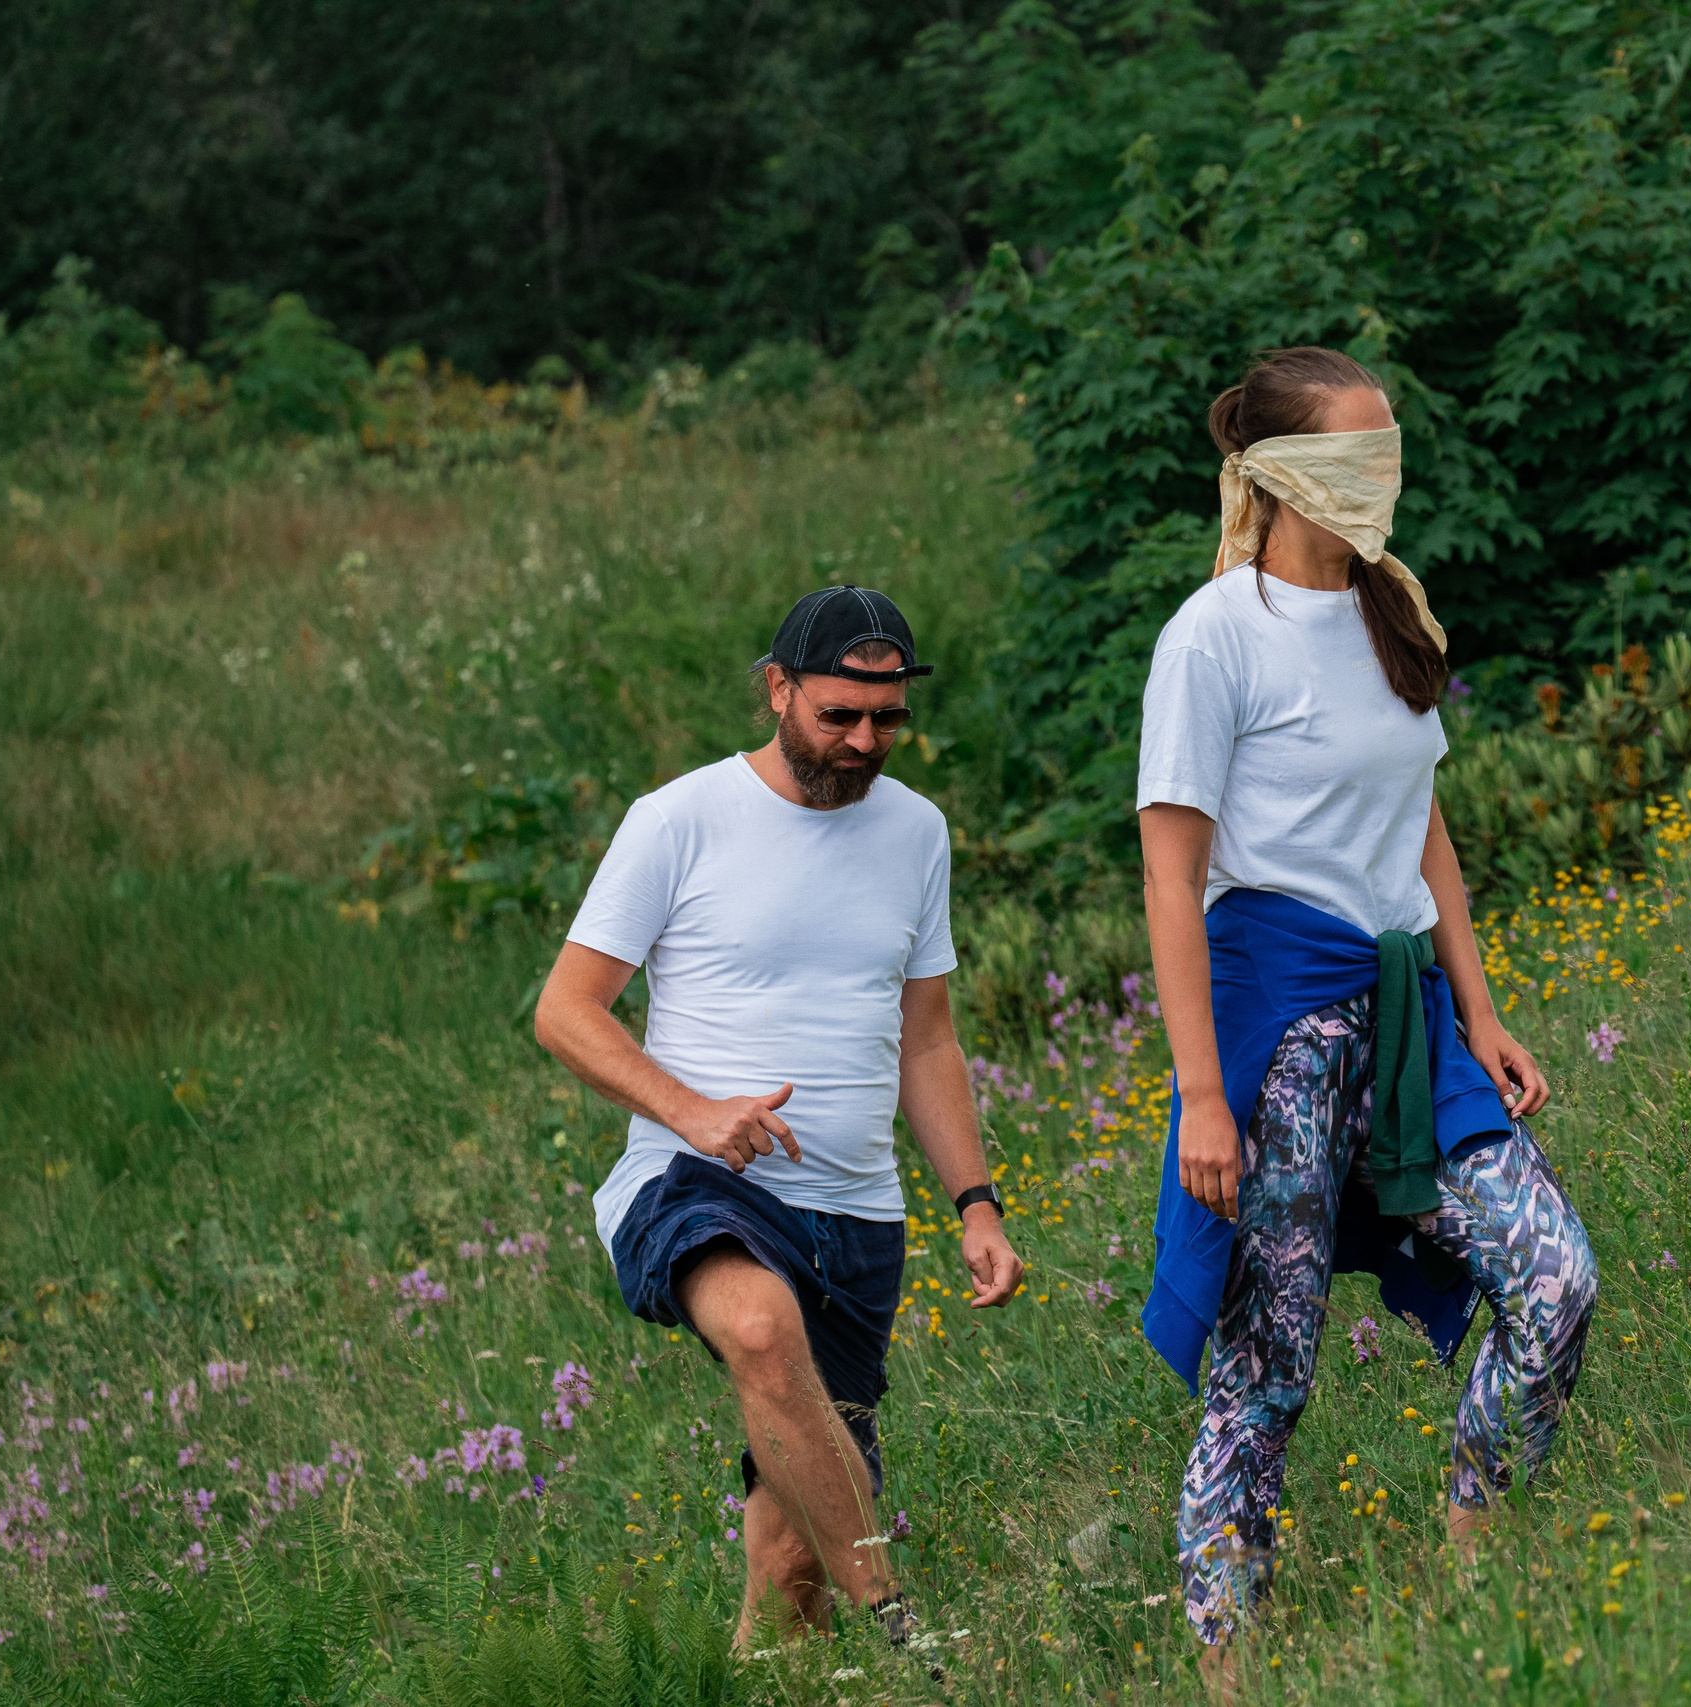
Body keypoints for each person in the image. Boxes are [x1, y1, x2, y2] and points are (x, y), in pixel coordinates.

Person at [1135, 347, 1598, 1688]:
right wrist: (1202, 1093)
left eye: (1388, 452)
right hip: (1275, 1027)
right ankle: (1230, 1665)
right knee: (1267, 1363)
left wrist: (1481, 1009)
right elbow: (1170, 874)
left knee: (1554, 1279)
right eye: (1354, 457)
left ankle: (1473, 1558)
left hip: (1408, 1021)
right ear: (1282, 476)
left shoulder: (1394, 605)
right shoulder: (1214, 635)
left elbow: (1422, 821)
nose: (1380, 480)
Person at [533, 586, 1024, 1655]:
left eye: (886, 719)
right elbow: (565, 1011)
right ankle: (900, 1625)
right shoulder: (678, 820)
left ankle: (766, 1675)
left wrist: (976, 1204)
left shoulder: (917, 832)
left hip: (856, 1216)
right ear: (777, 689)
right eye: (838, 715)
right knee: (759, 1328)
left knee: (793, 1561)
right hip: (696, 1182)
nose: (863, 742)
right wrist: (693, 1112)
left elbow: (927, 1037)